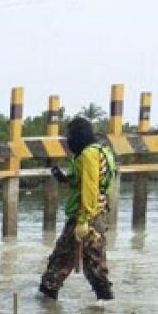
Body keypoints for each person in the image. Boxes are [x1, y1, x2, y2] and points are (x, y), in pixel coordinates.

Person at [38, 117, 117, 301]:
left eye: (70, 136)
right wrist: (65, 178)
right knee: (92, 263)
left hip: (87, 215)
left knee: (63, 259)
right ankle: (104, 304)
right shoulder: (101, 151)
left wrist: (83, 221)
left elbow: (90, 188)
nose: (68, 140)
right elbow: (85, 180)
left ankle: (46, 303)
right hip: (95, 213)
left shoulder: (89, 154)